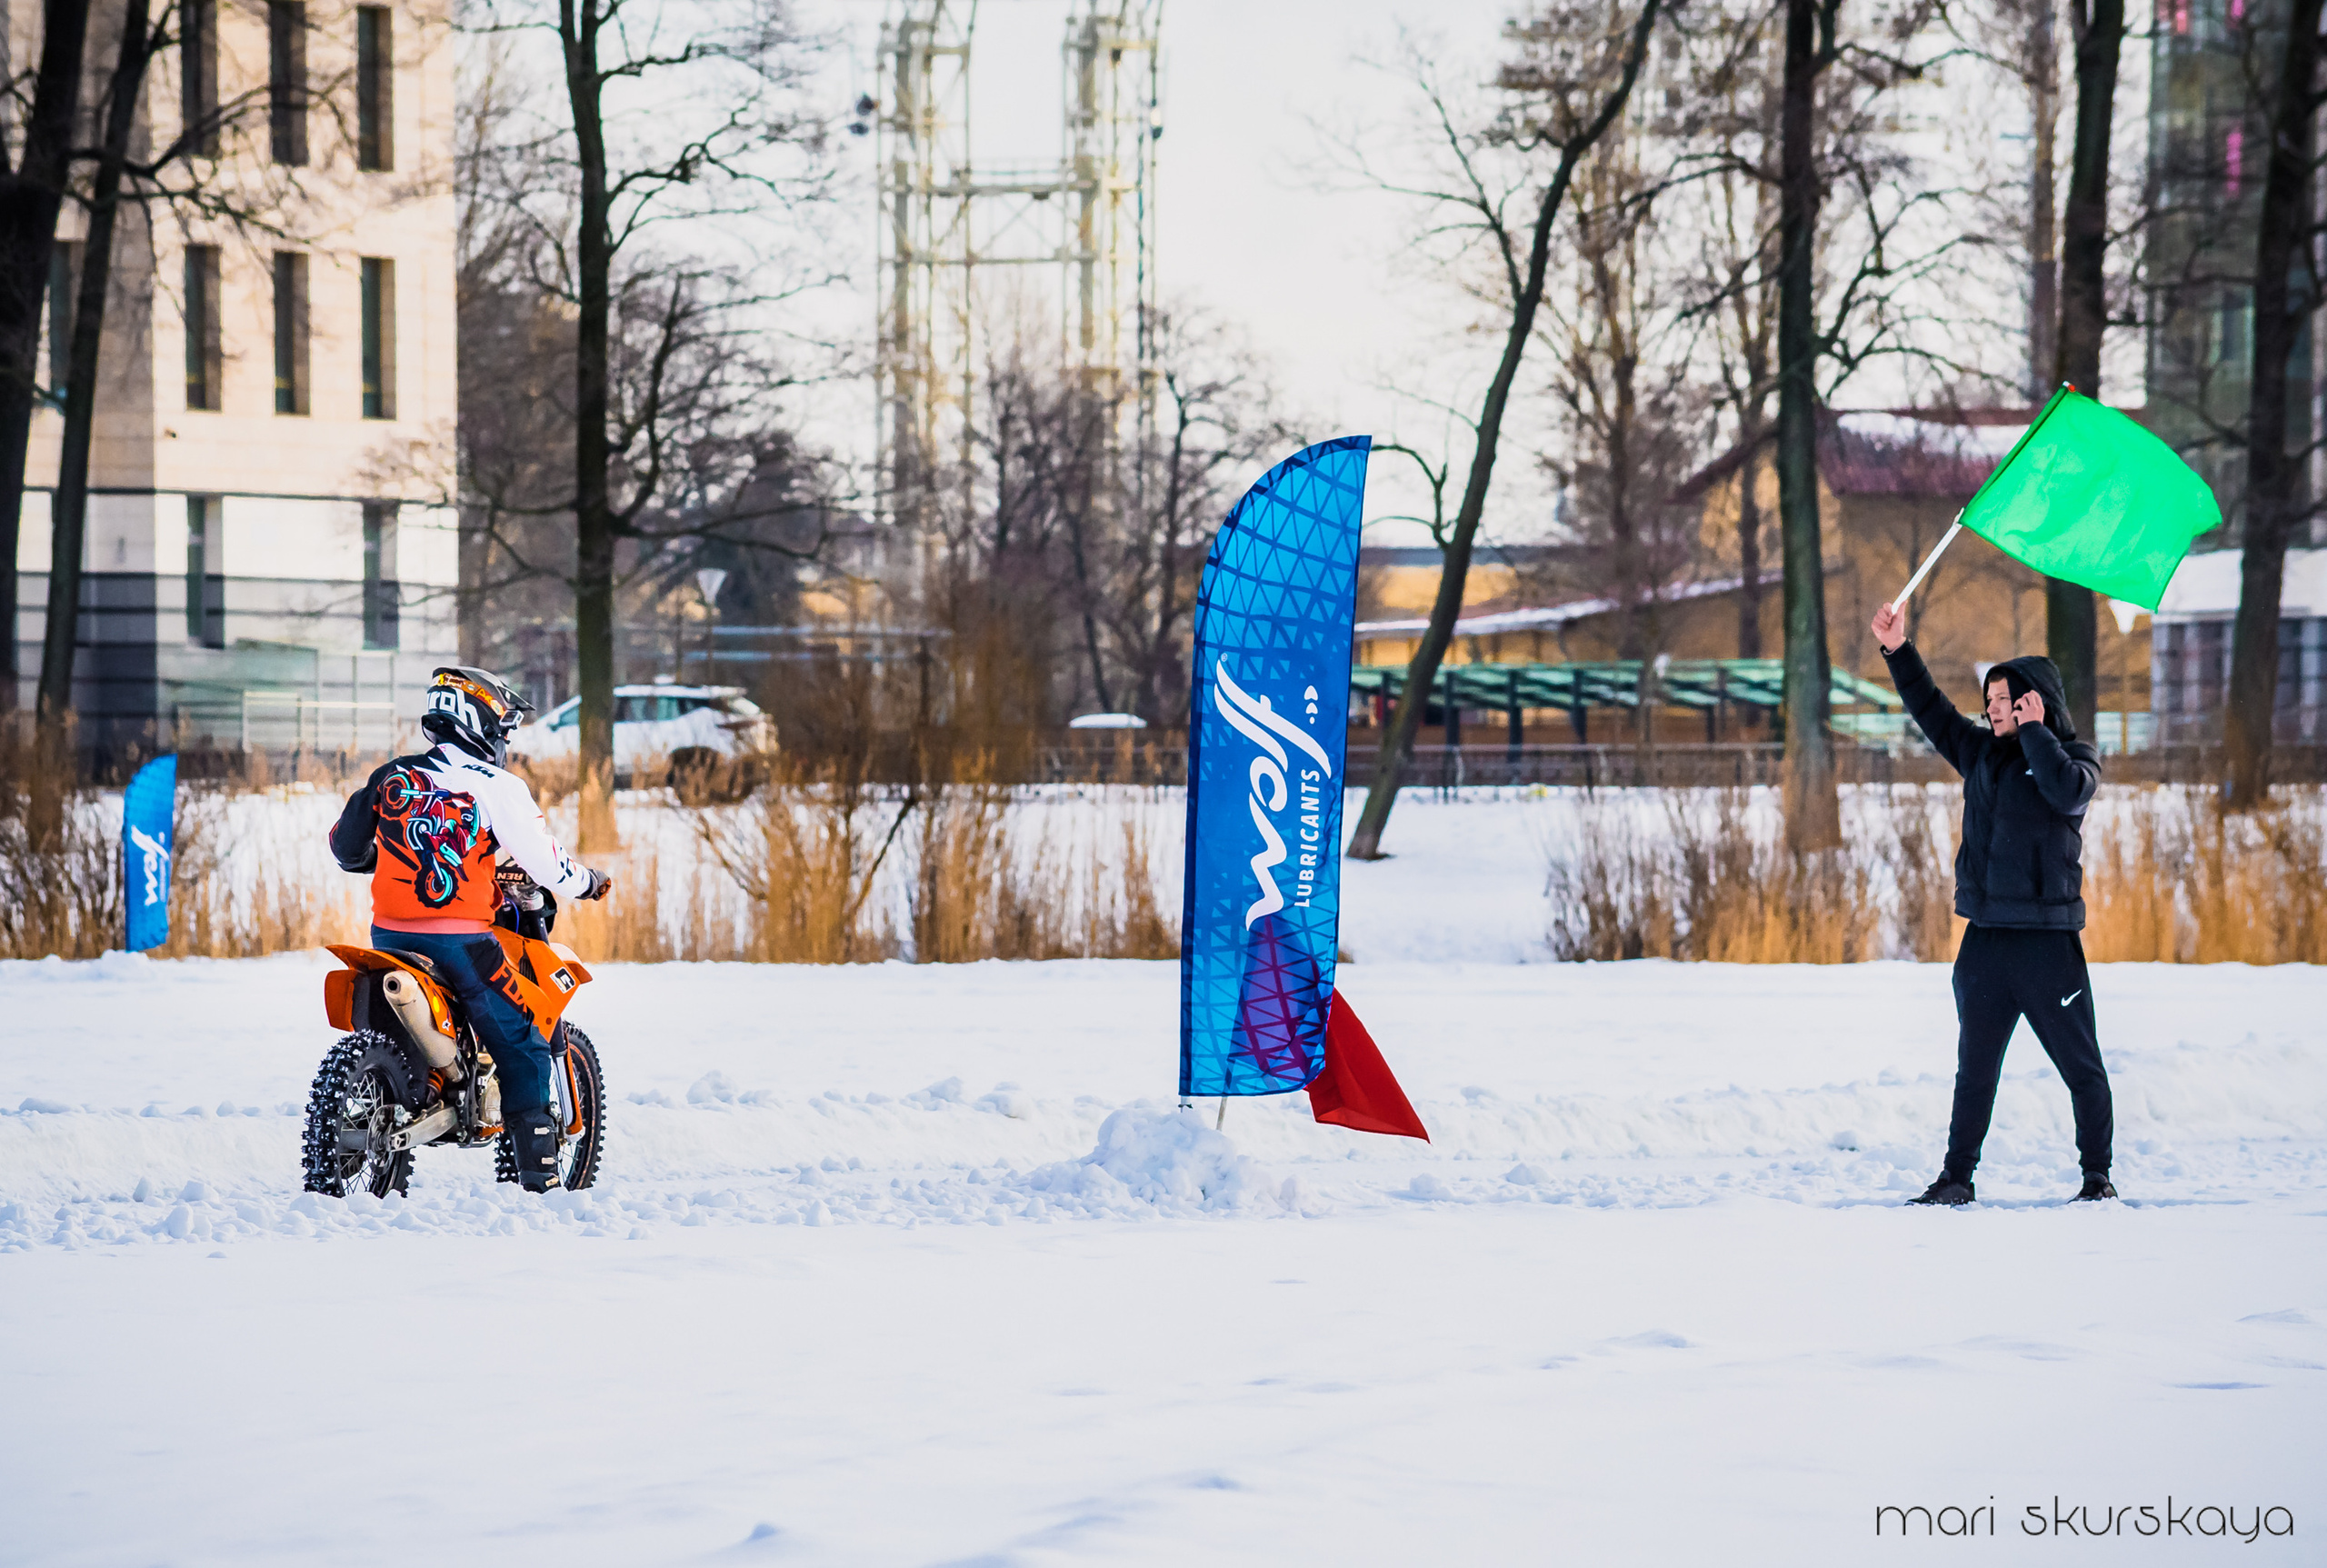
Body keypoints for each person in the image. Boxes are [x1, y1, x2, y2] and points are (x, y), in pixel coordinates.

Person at [328, 666, 613, 1192]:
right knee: (524, 1036)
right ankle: (541, 1177)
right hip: (462, 942)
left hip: (387, 938)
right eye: (503, 731)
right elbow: (548, 866)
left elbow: (345, 849)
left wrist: (394, 854)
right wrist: (589, 881)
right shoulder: (499, 787)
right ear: (479, 723)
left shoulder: (394, 776)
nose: (505, 742)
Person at [1871, 603, 2117, 1206]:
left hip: (2047, 946)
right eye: (1991, 699)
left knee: (2081, 1068)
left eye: (2006, 698)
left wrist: (2036, 732)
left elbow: (2064, 790)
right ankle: (1956, 1178)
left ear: (2036, 701)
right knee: (1974, 1071)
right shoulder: (1981, 754)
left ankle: (2097, 1177)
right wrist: (1898, 649)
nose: (1993, 708)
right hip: (1985, 943)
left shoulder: (2076, 759)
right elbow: (1933, 712)